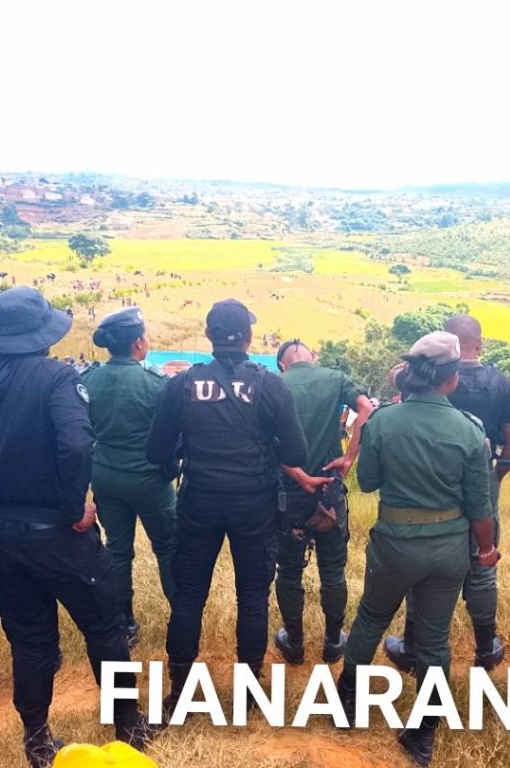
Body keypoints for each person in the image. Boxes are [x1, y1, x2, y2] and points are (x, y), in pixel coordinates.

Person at [0, 288, 154, 767]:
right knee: (105, 629)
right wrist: (74, 506)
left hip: (2, 535)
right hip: (61, 534)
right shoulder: (58, 378)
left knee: (31, 640)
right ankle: (128, 725)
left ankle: (37, 741)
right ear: (41, 335)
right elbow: (76, 445)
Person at [336, 331, 500, 767]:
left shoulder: (383, 421)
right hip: (449, 551)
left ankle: (347, 702)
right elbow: (480, 507)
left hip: (395, 544)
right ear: (452, 378)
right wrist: (486, 549)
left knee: (372, 618)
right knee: (434, 641)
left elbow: (368, 481)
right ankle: (423, 735)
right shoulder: (470, 431)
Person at [146, 299, 307, 711]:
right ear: (249, 338)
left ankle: (180, 688)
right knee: (252, 597)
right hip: (254, 503)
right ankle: (248, 692)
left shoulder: (182, 385)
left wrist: (180, 458)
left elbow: (156, 451)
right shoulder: (270, 385)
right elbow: (297, 453)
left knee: (188, 594)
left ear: (209, 336)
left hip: (199, 499)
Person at [384, 314, 510, 673]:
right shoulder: (499, 381)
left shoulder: (424, 377)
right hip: (481, 480)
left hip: (429, 483)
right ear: (480, 342)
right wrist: (494, 477)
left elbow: (394, 374)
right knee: (482, 564)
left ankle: (412, 644)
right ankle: (486, 647)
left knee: (423, 567)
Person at [273, 339, 373, 665]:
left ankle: (294, 642)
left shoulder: (274, 383)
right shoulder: (335, 378)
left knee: (289, 570)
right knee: (332, 569)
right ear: (311, 358)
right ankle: (333, 641)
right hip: (329, 490)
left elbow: (263, 438)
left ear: (283, 364)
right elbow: (367, 409)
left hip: (288, 493)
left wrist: (297, 474)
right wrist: (350, 456)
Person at [83, 307, 176, 647]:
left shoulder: (89, 380)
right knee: (168, 547)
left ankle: (124, 623)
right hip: (150, 480)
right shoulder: (156, 382)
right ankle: (181, 614)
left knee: (118, 550)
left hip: (106, 476)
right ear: (138, 342)